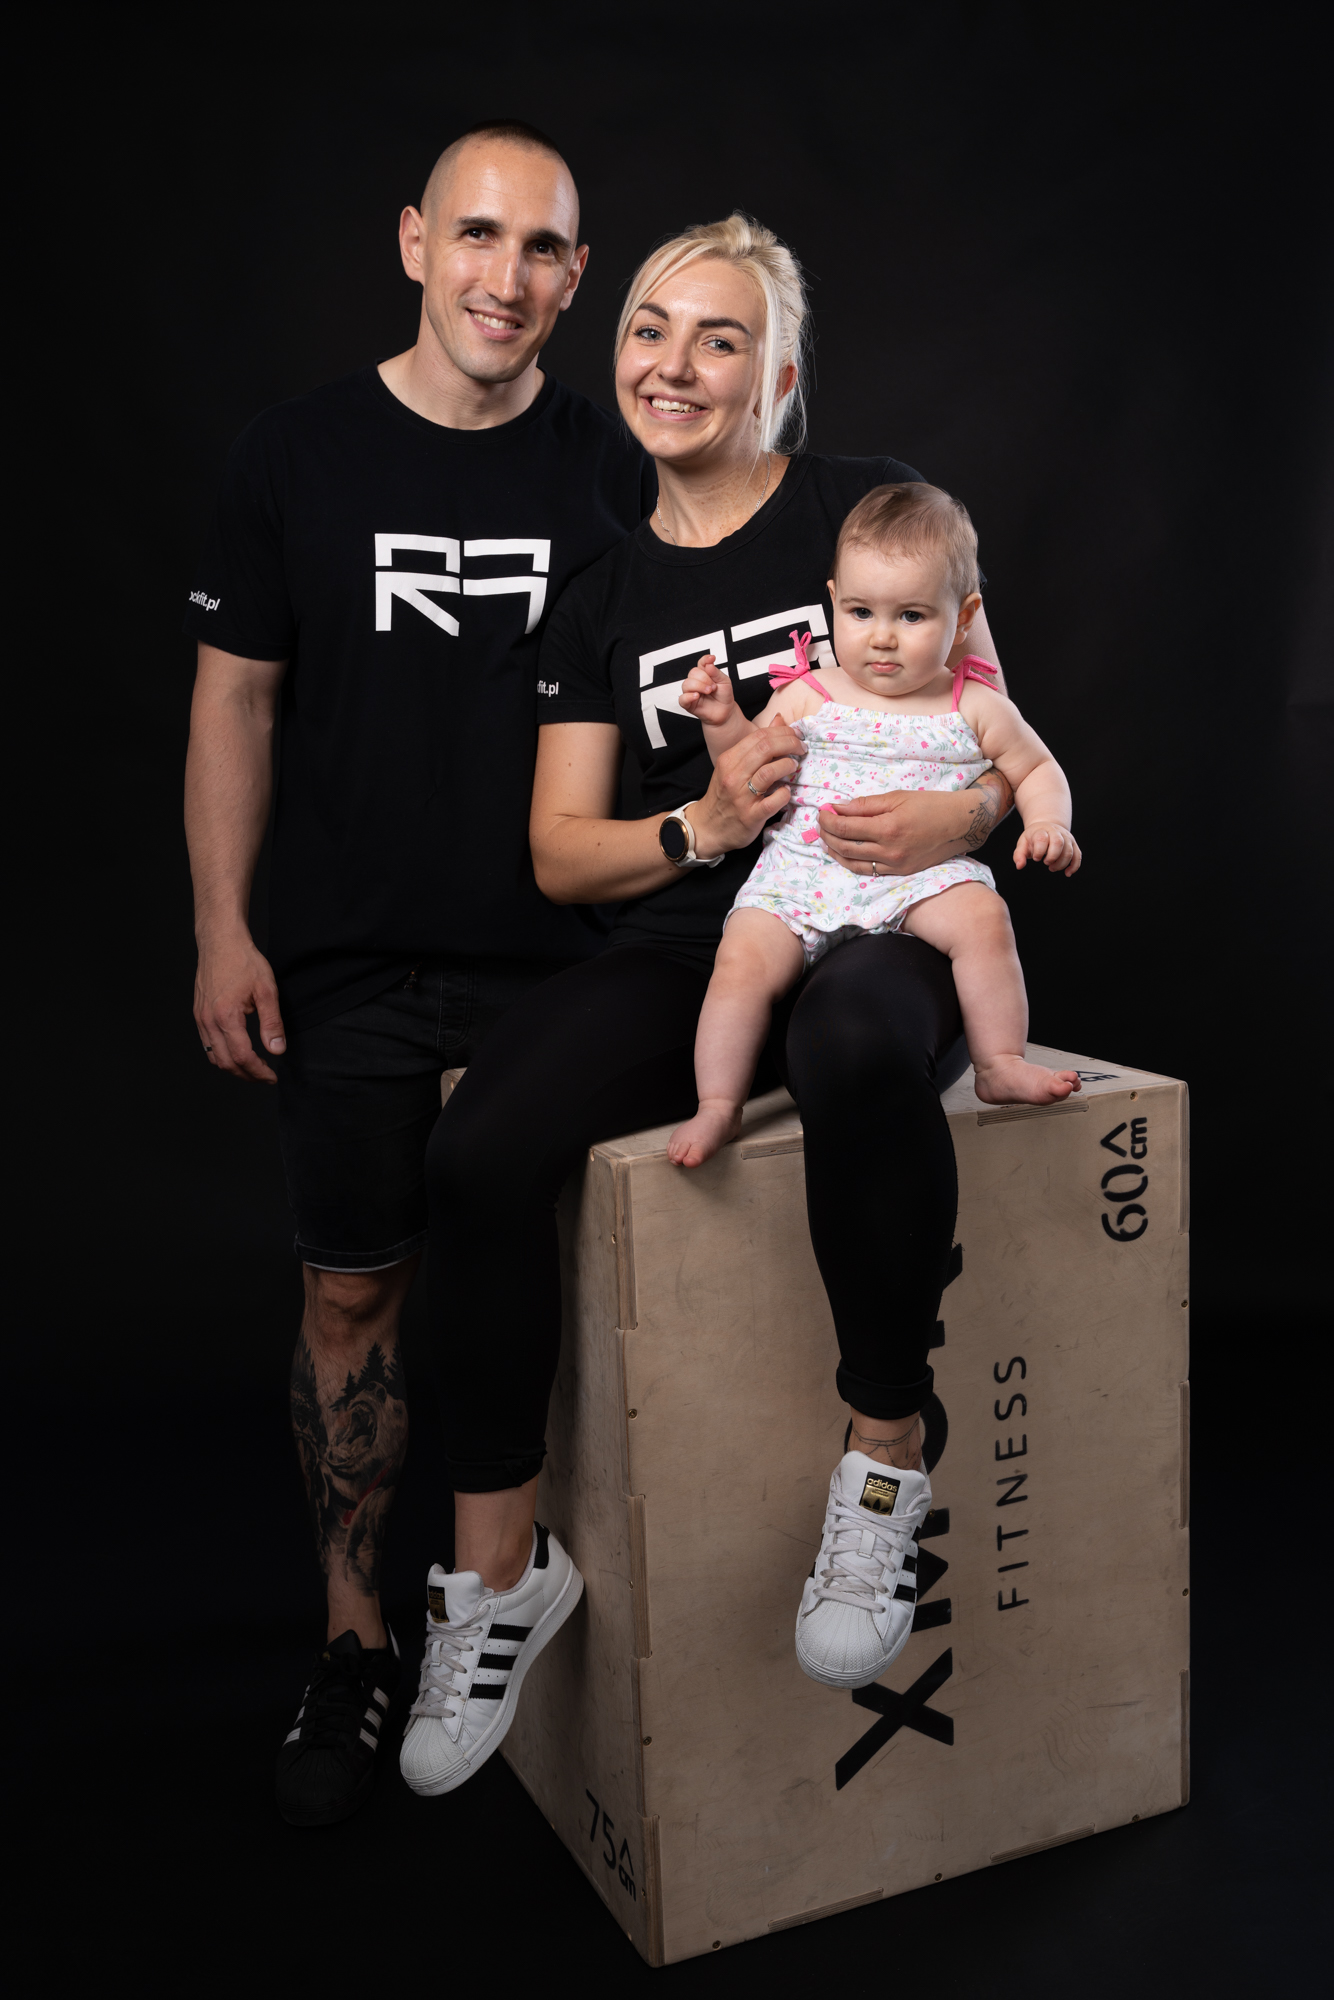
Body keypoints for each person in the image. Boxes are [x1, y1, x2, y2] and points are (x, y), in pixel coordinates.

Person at [397, 213, 1017, 1798]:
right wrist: (703, 824)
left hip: (884, 912)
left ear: (776, 377)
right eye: (649, 330)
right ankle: (499, 1573)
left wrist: (958, 821)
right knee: (475, 1152)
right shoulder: (597, 595)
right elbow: (560, 855)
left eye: (719, 338)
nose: (673, 365)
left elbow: (997, 732)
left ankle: (885, 1464)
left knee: (853, 1038)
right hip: (703, 932)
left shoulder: (865, 507)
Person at [182, 120, 655, 1827]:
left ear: (575, 278)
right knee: (353, 1299)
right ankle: (355, 1638)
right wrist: (221, 926)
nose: (502, 278)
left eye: (540, 249)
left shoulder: (615, 466)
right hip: (351, 961)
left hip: (564, 965)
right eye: (474, 235)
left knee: (555, 1297)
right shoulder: (294, 454)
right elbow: (236, 698)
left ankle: (520, 1617)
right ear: (410, 243)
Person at [666, 480, 1082, 1172]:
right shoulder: (809, 693)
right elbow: (748, 767)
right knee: (739, 962)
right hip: (802, 872)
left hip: (917, 877)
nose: (882, 638)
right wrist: (721, 719)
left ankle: (999, 1061)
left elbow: (1037, 769)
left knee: (984, 920)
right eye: (860, 612)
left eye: (912, 615)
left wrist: (1049, 824)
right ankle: (718, 1101)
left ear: (963, 615)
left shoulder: (974, 704)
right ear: (834, 601)